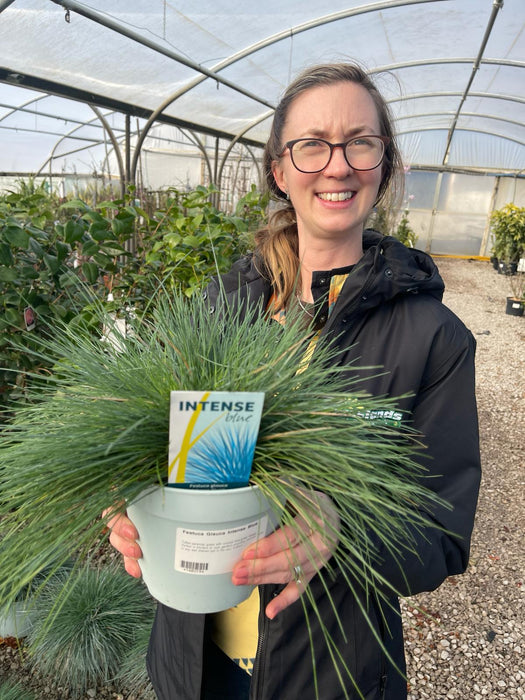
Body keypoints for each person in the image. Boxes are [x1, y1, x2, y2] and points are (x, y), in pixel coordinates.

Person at [107, 63, 481, 700]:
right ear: (280, 171)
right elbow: (147, 446)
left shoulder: (433, 340)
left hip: (330, 674)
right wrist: (126, 499)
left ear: (383, 165)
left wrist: (342, 528)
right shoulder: (214, 310)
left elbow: (442, 535)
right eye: (311, 144)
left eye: (361, 142)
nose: (337, 165)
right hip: (194, 662)